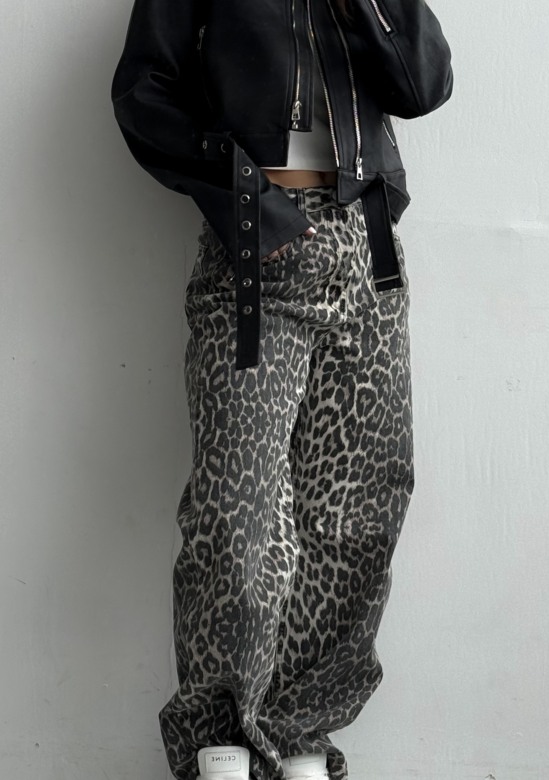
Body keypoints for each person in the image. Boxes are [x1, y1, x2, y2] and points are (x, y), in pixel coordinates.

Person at [110, 2, 454, 780]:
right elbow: (143, 91)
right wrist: (247, 199)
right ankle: (220, 737)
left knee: (357, 510)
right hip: (256, 254)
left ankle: (299, 731)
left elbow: (423, 85)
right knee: (238, 510)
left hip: (368, 252)